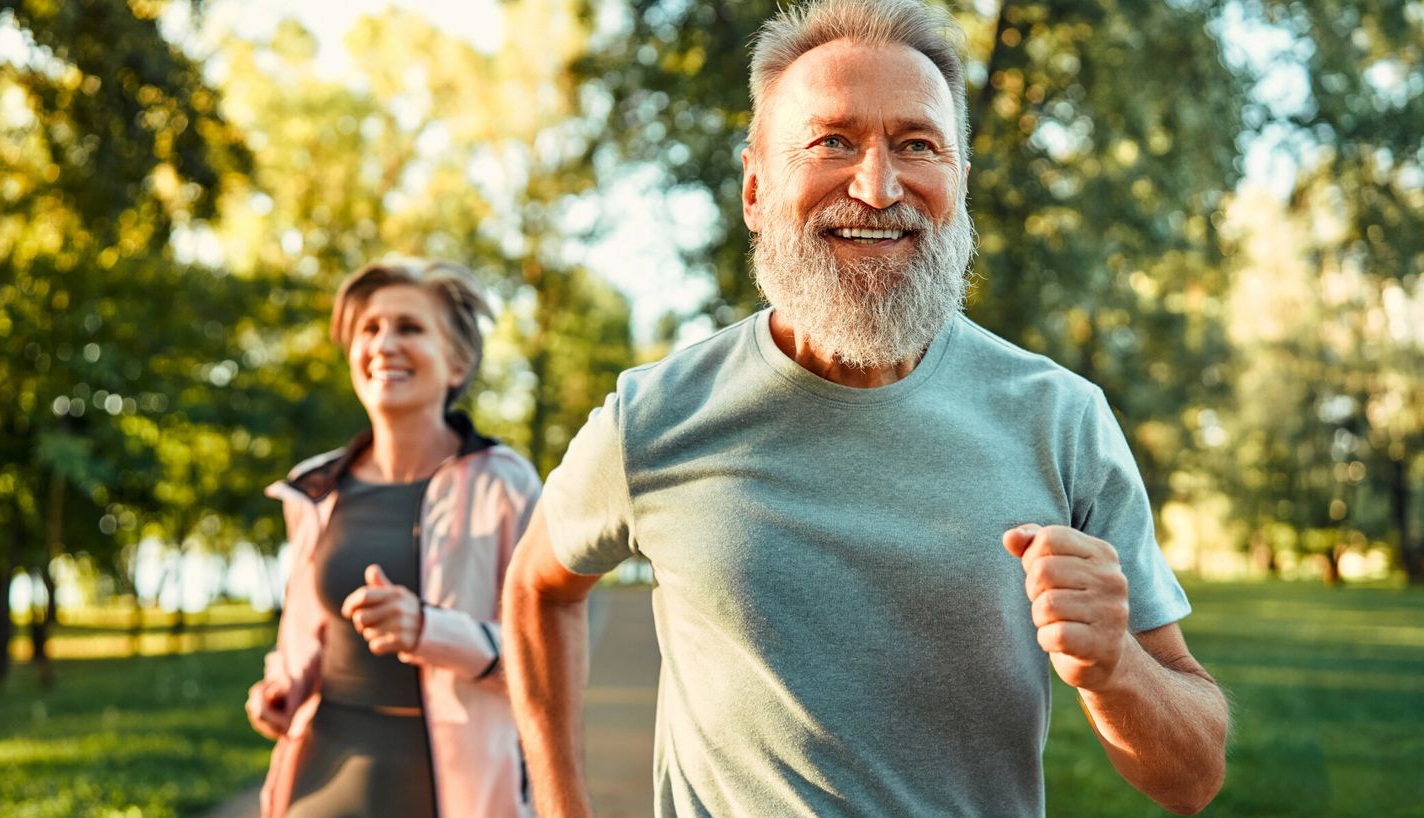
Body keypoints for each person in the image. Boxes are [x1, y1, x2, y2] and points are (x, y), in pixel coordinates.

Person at [501, 0, 1227, 816]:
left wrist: (1115, 668)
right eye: (832, 142)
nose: (877, 187)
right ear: (753, 188)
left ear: (957, 182)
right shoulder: (656, 416)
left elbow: (1191, 780)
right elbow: (538, 587)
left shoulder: (1060, 418)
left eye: (917, 145)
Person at [247, 258, 540, 818]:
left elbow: (544, 660)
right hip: (320, 782)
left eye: (409, 327)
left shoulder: (506, 483)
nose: (384, 343)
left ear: (457, 361)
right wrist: (281, 690)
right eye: (369, 328)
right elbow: (305, 640)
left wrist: (428, 629)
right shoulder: (316, 490)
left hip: (456, 792)